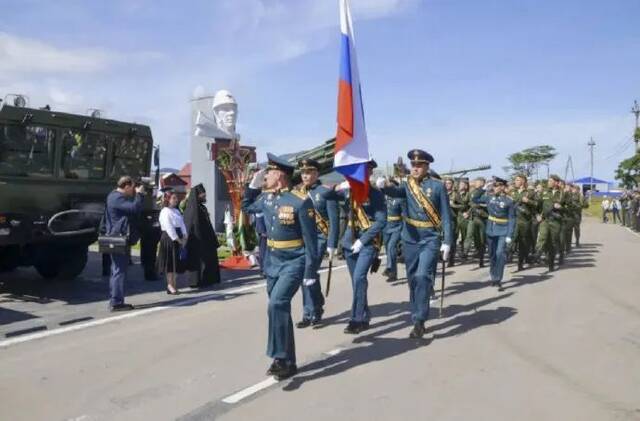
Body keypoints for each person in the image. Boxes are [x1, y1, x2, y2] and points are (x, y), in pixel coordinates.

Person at [242, 153, 318, 381]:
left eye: (270, 172)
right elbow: (247, 207)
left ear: (281, 176)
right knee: (279, 310)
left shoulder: (300, 202)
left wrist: (310, 272)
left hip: (294, 260)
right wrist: (251, 187)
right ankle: (289, 362)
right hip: (273, 262)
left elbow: (311, 241)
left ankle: (279, 357)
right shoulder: (267, 199)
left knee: (277, 303)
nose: (266, 175)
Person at [378, 149, 453, 339]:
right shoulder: (407, 185)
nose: (415, 168)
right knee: (412, 280)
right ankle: (418, 311)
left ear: (427, 167)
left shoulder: (437, 186)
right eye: (413, 165)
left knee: (422, 276)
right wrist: (383, 185)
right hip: (410, 238)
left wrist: (447, 241)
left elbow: (446, 215)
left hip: (430, 238)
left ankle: (419, 319)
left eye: (419, 165)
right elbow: (394, 191)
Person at [324, 160, 386, 335]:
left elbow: (381, 221)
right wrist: (338, 187)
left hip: (367, 243)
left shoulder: (375, 194)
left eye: (365, 171)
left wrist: (363, 240)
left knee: (359, 278)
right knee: (356, 282)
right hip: (348, 242)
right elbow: (326, 196)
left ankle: (356, 319)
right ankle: (365, 314)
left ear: (370, 173)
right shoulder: (347, 191)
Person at [291, 158, 339, 328]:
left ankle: (311, 311)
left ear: (316, 173)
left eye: (309, 172)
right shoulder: (296, 192)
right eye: (303, 172)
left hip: (319, 238)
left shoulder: (325, 191)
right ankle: (314, 307)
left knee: (308, 272)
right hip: (302, 239)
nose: (305, 175)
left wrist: (332, 243)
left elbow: (334, 220)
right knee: (307, 274)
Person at [104, 176, 145, 311]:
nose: (133, 191)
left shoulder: (114, 196)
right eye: (133, 188)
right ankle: (116, 302)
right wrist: (139, 194)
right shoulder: (117, 198)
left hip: (118, 237)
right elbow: (134, 208)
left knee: (117, 270)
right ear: (126, 186)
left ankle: (116, 300)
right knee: (119, 271)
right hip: (118, 238)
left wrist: (139, 195)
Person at [473, 177, 515, 289]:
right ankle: (493, 276)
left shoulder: (509, 201)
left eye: (497, 186)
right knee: (492, 255)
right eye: (494, 186)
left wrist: (509, 234)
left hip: (503, 230)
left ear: (502, 187)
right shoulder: (489, 197)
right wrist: (483, 188)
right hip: (491, 229)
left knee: (500, 254)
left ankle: (498, 278)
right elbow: (475, 199)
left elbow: (512, 218)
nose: (495, 188)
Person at [183, 184, 221, 287]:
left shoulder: (202, 207)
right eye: (202, 196)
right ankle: (195, 282)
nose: (204, 197)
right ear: (197, 195)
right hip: (196, 240)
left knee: (210, 259)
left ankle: (209, 279)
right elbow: (189, 225)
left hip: (206, 239)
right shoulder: (192, 208)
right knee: (197, 261)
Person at [157, 191, 188, 295]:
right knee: (170, 263)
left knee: (177, 262)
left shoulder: (176, 210)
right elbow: (169, 227)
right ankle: (170, 285)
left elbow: (182, 223)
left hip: (178, 237)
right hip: (169, 239)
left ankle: (173, 284)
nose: (176, 200)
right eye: (174, 198)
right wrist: (177, 239)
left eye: (176, 198)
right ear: (168, 200)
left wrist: (184, 235)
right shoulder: (165, 212)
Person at [534, 175, 566, 271]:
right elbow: (537, 206)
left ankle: (551, 262)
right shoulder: (544, 193)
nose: (548, 182)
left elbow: (568, 209)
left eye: (550, 181)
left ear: (556, 182)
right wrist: (537, 215)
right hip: (545, 220)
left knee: (552, 242)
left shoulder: (563, 194)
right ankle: (537, 253)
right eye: (548, 181)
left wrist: (560, 207)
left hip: (556, 222)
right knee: (542, 235)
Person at [510, 174, 538, 271]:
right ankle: (508, 253)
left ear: (523, 181)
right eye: (515, 180)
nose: (515, 182)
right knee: (511, 239)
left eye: (517, 180)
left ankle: (520, 263)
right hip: (513, 220)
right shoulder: (512, 192)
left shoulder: (530, 193)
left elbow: (537, 204)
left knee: (523, 243)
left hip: (525, 221)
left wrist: (528, 201)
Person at [463, 177, 488, 267]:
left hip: (483, 218)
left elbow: (489, 204)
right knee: (469, 234)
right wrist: (467, 212)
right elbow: (471, 204)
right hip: (473, 218)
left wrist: (480, 205)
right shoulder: (472, 193)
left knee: (481, 240)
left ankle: (481, 259)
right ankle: (465, 252)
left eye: (477, 182)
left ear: (482, 183)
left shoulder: (487, 192)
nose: (475, 183)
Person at [382, 190, 405, 282]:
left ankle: (389, 268)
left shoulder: (399, 199)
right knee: (389, 251)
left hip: (397, 226)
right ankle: (393, 274)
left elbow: (405, 214)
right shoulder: (383, 199)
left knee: (391, 247)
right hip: (386, 227)